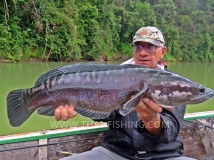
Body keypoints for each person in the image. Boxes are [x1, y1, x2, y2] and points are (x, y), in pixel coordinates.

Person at [54, 26, 196, 160]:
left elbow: (170, 131)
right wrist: (79, 103)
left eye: (150, 47)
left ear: (162, 51)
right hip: (117, 152)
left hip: (164, 155)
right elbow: (107, 115)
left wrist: (152, 121)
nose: (142, 52)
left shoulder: (175, 84)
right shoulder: (115, 77)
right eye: (138, 46)